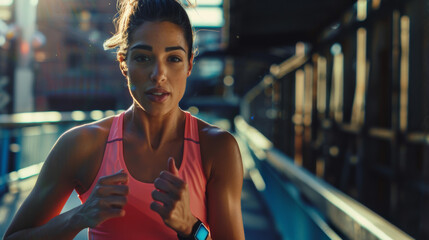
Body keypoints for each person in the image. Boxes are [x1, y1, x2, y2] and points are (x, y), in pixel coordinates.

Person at [4, 0, 245, 239]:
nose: (158, 75)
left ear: (189, 64)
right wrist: (77, 217)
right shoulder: (82, 145)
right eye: (143, 58)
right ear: (123, 63)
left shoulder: (217, 150)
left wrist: (192, 229)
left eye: (173, 59)